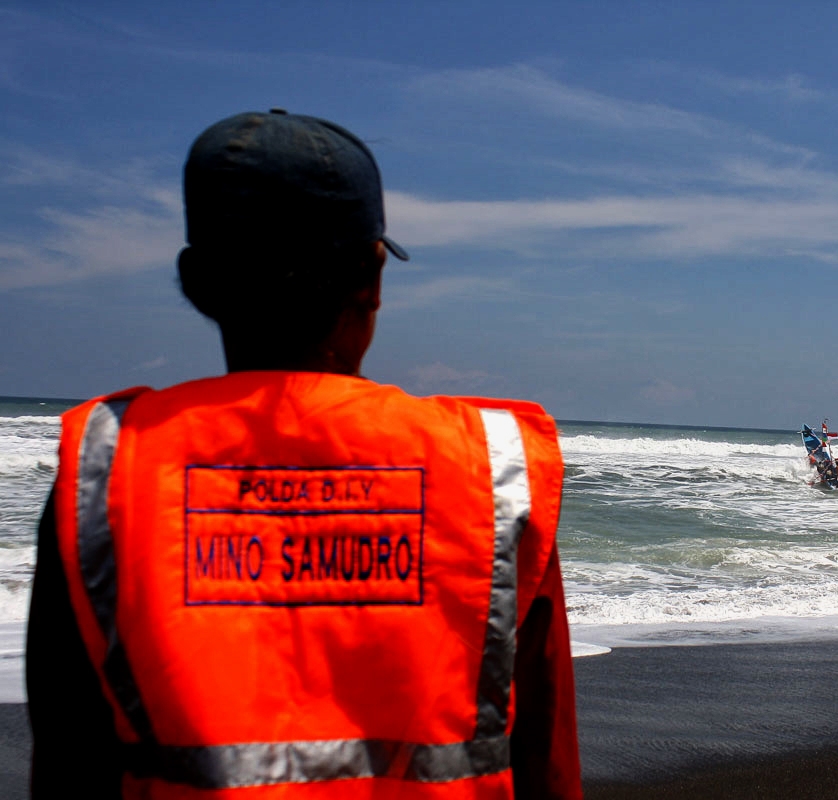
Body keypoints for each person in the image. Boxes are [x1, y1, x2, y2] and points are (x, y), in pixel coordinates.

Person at [26, 109, 582, 799]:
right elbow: (547, 765)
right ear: (372, 278)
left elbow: (70, 762)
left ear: (196, 284)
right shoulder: (494, 469)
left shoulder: (107, 470)